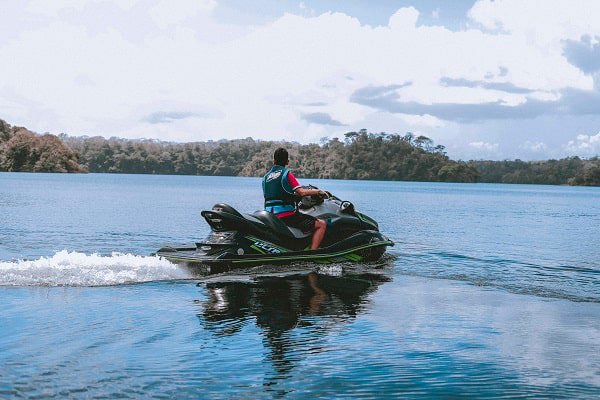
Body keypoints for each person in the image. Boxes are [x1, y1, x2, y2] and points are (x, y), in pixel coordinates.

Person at [262, 147, 327, 250]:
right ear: (287, 161)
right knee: (321, 224)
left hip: (269, 215)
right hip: (285, 215)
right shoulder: (286, 174)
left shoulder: (265, 177)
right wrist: (318, 191)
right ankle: (312, 254)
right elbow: (301, 192)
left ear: (273, 161)